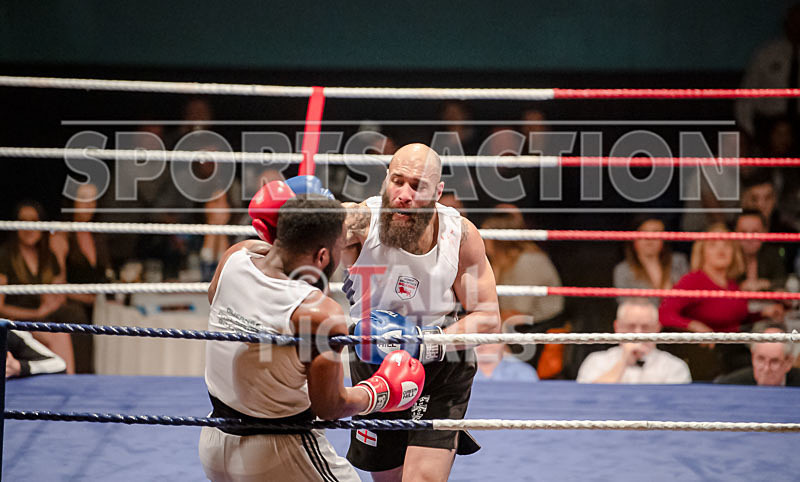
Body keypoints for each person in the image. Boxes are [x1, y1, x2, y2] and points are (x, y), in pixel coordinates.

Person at [199, 195, 425, 482]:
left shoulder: (235, 257)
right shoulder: (318, 314)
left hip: (214, 441)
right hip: (279, 450)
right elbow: (329, 406)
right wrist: (381, 391)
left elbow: (219, 295)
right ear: (322, 256)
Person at [341, 143, 501, 481]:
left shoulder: (460, 235)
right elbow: (293, 239)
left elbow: (487, 318)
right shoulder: (358, 222)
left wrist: (425, 343)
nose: (404, 194)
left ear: (437, 192)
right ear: (385, 180)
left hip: (442, 367)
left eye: (418, 186)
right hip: (374, 366)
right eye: (397, 181)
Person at [659, 223, 784, 379]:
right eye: (713, 245)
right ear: (703, 252)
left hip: (734, 348)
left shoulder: (732, 284)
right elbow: (664, 313)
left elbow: (734, 318)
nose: (721, 250)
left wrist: (763, 314)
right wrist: (694, 326)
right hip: (711, 356)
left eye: (726, 245)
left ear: (734, 252)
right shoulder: (693, 281)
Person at [481, 210, 564, 371]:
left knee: (481, 329)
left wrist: (481, 320)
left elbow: (517, 313)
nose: (482, 240)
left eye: (486, 236)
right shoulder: (501, 262)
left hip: (538, 328)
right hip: (517, 323)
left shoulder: (528, 262)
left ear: (499, 239)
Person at [0, 201, 75, 374]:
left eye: (34, 220)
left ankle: (69, 383)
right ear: (15, 226)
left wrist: (50, 303)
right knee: (57, 336)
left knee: (63, 332)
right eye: (23, 221)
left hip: (42, 319)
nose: (29, 227)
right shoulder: (5, 256)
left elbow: (59, 293)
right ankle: (67, 383)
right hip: (14, 322)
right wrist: (36, 314)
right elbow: (0, 307)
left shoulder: (47, 256)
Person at [51, 183, 111, 373]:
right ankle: (84, 376)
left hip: (97, 303)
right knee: (78, 315)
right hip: (72, 304)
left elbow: (106, 274)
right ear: (72, 202)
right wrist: (88, 298)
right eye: (83, 199)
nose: (88, 205)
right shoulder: (62, 235)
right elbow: (56, 285)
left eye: (92, 199)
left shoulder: (96, 235)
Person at [576, 300, 691, 384]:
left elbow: (675, 409)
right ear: (617, 327)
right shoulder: (596, 361)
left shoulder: (675, 366)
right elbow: (588, 400)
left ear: (657, 329)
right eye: (630, 326)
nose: (638, 333)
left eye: (645, 327)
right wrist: (623, 362)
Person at [613, 217, 689, 306]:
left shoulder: (679, 262)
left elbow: (688, 301)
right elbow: (626, 306)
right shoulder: (623, 270)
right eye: (644, 232)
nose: (650, 238)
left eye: (656, 232)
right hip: (642, 319)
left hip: (677, 318)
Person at [715, 323, 800, 386]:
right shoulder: (729, 385)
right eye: (760, 359)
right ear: (752, 357)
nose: (766, 369)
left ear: (788, 363)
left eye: (774, 361)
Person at [734, 210, 786, 292]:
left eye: (755, 232)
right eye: (743, 232)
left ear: (765, 232)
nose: (749, 238)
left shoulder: (773, 255)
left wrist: (766, 284)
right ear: (735, 233)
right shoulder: (729, 256)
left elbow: (784, 281)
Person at [473, 342, 538, 382]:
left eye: (490, 339)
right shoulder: (463, 371)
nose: (485, 345)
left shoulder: (523, 371)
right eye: (479, 339)